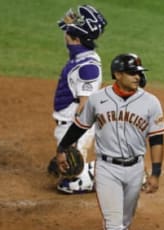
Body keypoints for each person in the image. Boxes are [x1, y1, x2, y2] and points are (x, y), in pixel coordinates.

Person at [56, 53, 164, 230]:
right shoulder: (98, 99)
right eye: (132, 72)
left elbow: (157, 139)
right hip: (107, 169)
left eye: (139, 72)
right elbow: (79, 126)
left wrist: (156, 172)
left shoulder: (150, 102)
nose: (138, 76)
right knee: (113, 223)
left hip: (136, 168)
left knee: (124, 222)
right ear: (117, 74)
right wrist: (62, 147)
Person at [48, 4, 107, 194]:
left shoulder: (87, 68)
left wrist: (73, 139)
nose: (65, 35)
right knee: (64, 167)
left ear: (76, 39)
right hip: (69, 122)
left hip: (74, 123)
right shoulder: (82, 54)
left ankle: (121, 174)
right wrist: (69, 24)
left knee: (69, 182)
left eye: (69, 33)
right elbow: (72, 34)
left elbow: (85, 106)